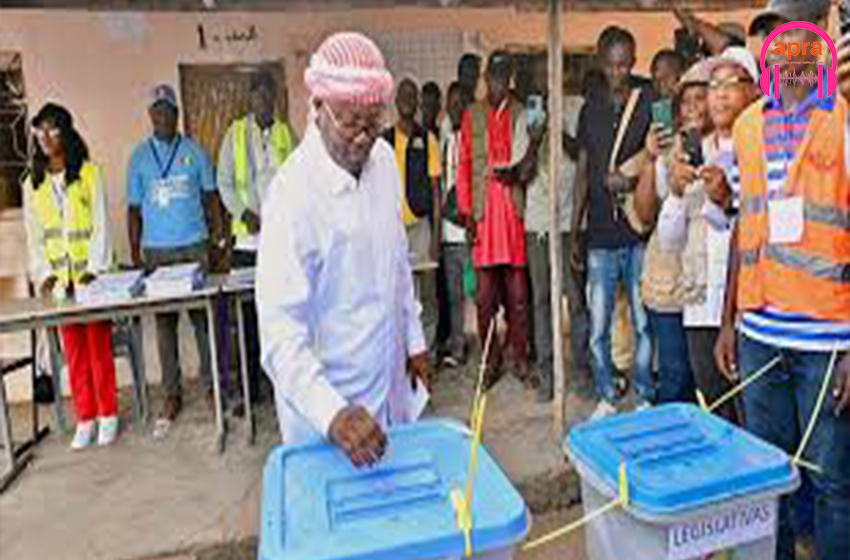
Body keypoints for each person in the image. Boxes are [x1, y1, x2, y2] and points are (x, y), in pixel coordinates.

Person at [714, 1, 850, 558]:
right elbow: (743, 228)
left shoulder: (843, 122)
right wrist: (729, 322)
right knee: (765, 480)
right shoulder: (746, 128)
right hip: (759, 340)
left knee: (832, 485)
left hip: (827, 346)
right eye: (770, 33)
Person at [257, 32, 431, 465]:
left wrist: (414, 339)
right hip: (328, 415)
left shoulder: (385, 164)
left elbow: (397, 263)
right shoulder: (292, 196)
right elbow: (280, 336)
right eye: (350, 123)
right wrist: (331, 413)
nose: (363, 138)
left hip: (388, 385)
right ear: (316, 108)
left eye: (373, 123)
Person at [652, 51, 758, 423]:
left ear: (755, 91)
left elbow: (755, 230)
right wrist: (678, 194)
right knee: (714, 406)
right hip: (700, 304)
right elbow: (669, 242)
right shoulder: (690, 153)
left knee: (751, 411)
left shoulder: (759, 148)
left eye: (732, 84)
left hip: (748, 307)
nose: (720, 95)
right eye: (714, 86)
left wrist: (727, 201)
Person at [127, 84, 224, 437]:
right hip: (157, 252)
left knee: (203, 321)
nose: (163, 116)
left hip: (195, 246)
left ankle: (213, 387)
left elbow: (212, 199)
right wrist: (137, 254)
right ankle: (172, 395)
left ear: (177, 115)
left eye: (169, 110)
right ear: (150, 116)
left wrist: (217, 241)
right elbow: (134, 210)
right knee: (165, 327)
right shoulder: (138, 158)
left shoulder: (195, 152)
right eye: (157, 111)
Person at [23, 103, 118, 450]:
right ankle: (85, 418)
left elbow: (102, 226)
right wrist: (45, 275)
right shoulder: (32, 184)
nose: (46, 137)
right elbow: (35, 237)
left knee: (98, 348)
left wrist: (94, 269)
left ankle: (108, 414)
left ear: (66, 131)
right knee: (73, 353)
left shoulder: (89, 173)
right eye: (40, 130)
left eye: (53, 129)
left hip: (91, 279)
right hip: (60, 284)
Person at [572, 26, 654, 418]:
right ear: (601, 63)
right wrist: (576, 229)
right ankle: (607, 390)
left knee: (643, 321)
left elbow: (660, 159)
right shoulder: (590, 108)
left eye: (625, 64)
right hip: (601, 235)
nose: (619, 72)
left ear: (633, 60)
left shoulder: (649, 101)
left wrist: (632, 180)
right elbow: (583, 171)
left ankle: (644, 390)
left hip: (638, 231)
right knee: (599, 324)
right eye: (612, 65)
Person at [217, 70, 297, 404]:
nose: (264, 102)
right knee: (246, 319)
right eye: (258, 96)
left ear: (275, 99)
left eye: (269, 96)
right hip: (247, 246)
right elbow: (223, 182)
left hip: (280, 244)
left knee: (281, 318)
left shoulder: (285, 133)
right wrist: (242, 212)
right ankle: (251, 391)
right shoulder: (234, 135)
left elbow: (298, 180)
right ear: (250, 99)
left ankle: (282, 387)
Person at [635, 61, 711, 406]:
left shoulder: (729, 145)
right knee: (676, 376)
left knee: (707, 378)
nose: (694, 107)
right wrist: (651, 159)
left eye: (702, 97)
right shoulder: (666, 150)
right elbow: (644, 213)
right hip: (668, 283)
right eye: (687, 101)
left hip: (710, 288)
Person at [457, 51, 532, 389]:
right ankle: (490, 360)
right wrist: (466, 213)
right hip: (484, 217)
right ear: (486, 78)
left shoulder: (521, 112)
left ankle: (519, 355)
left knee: (518, 295)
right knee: (485, 298)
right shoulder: (471, 115)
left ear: (510, 79)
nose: (497, 83)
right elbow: (463, 166)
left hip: (513, 214)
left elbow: (529, 167)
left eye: (503, 77)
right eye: (493, 77)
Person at [523, 56, 592, 403]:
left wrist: (556, 130)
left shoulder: (578, 107)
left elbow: (583, 155)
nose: (547, 79)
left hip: (569, 220)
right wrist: (535, 140)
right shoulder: (527, 113)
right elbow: (522, 175)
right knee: (541, 301)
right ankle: (547, 372)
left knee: (576, 299)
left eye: (552, 72)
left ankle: (580, 369)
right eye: (540, 74)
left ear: (563, 74)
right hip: (537, 221)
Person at [382, 78, 441, 363]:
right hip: (391, 231)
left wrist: (437, 235)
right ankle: (401, 357)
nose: (407, 99)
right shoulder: (383, 141)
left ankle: (426, 354)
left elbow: (435, 189)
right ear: (396, 101)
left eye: (412, 95)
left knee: (427, 294)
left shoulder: (426, 138)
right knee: (396, 296)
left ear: (417, 102)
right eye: (402, 95)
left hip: (421, 227)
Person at [439, 82, 470, 368]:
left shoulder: (472, 139)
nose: (456, 107)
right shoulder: (445, 140)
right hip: (449, 234)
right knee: (454, 295)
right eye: (452, 103)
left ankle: (490, 347)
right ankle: (458, 348)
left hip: (471, 234)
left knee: (478, 294)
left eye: (461, 102)